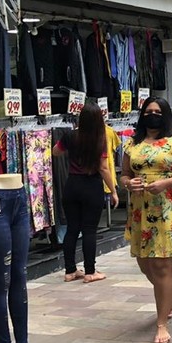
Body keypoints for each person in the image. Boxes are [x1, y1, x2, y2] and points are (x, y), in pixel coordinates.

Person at [120, 97, 172, 343]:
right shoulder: (132, 143)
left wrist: (165, 183)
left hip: (169, 208)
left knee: (163, 267)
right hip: (140, 211)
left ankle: (161, 322)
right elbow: (124, 174)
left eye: (157, 111)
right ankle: (171, 295)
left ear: (165, 114)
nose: (152, 115)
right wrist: (127, 183)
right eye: (148, 111)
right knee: (146, 265)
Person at [53, 101, 119, 283]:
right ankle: (90, 271)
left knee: (72, 229)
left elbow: (55, 152)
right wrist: (113, 190)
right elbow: (104, 168)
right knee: (89, 229)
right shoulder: (100, 140)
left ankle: (70, 270)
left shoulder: (70, 136)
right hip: (91, 185)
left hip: (72, 185)